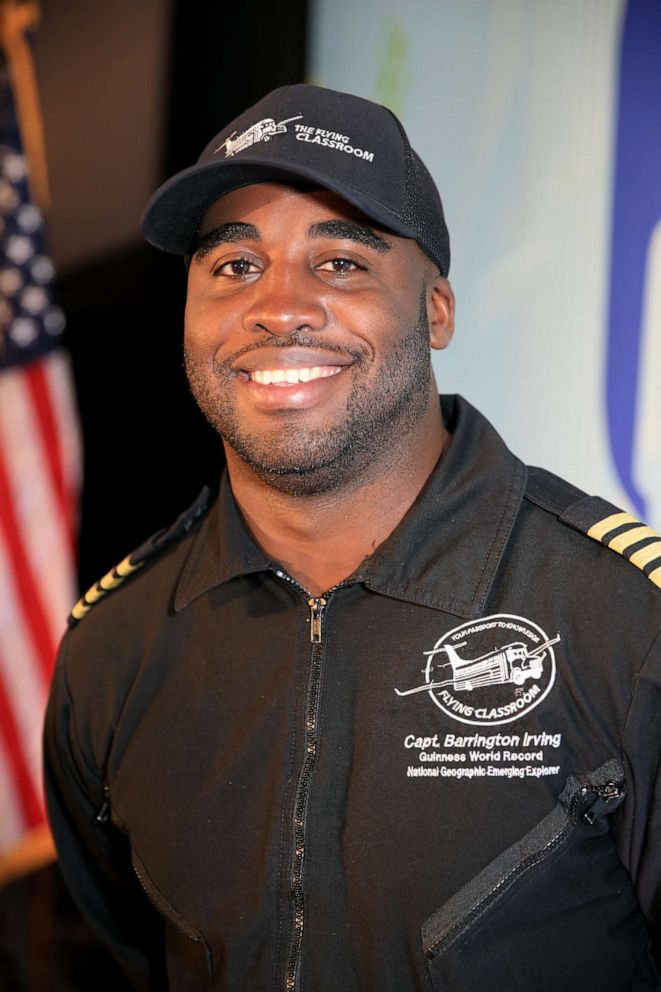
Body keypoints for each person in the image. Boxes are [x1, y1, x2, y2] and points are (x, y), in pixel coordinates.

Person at [44, 84, 661, 992]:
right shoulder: (115, 647)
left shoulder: (621, 618)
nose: (278, 306)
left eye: (339, 263)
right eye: (233, 267)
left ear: (436, 311)